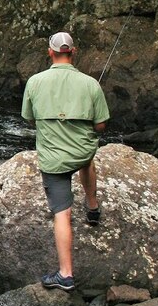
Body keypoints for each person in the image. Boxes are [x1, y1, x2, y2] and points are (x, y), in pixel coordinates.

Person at [21, 31, 110, 291]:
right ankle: (92, 207)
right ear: (73, 51)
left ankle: (66, 274)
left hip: (54, 159)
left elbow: (28, 118)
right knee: (86, 158)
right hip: (82, 153)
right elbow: (101, 125)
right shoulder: (91, 84)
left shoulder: (35, 82)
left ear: (50, 52)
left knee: (62, 213)